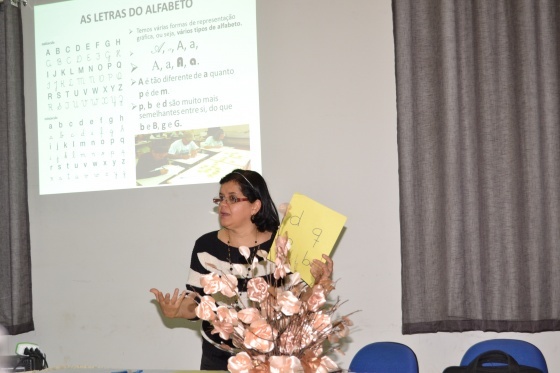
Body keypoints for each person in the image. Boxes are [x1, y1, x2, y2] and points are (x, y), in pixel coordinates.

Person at [150, 169, 333, 371]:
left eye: (232, 199)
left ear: (255, 206)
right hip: (218, 355)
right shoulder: (206, 246)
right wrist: (177, 311)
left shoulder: (280, 246)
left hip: (271, 357)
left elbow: (297, 304)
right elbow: (197, 302)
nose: (223, 205)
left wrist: (319, 285)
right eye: (220, 199)